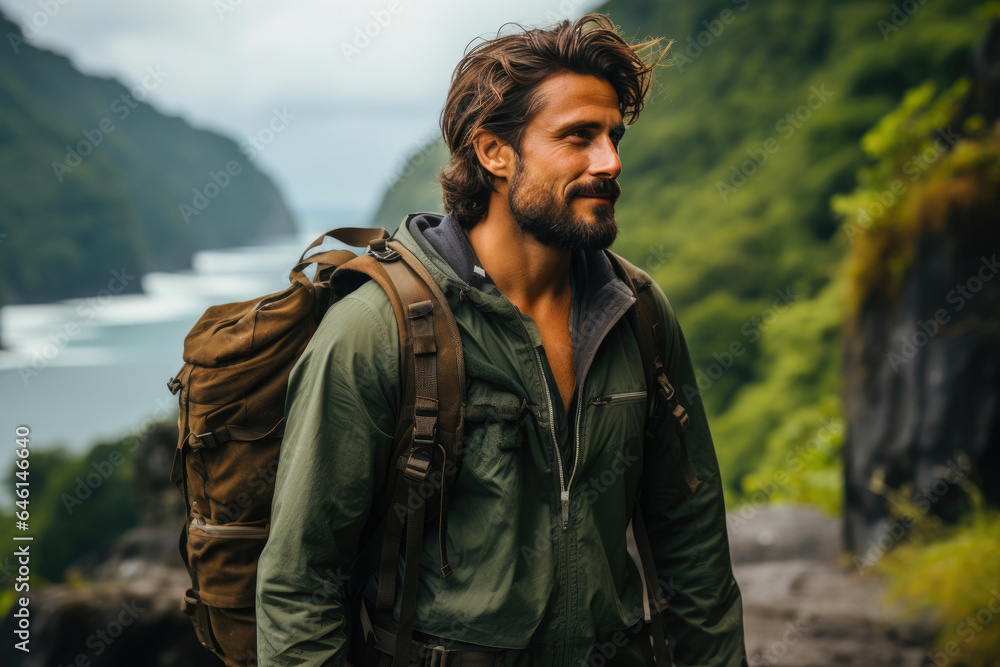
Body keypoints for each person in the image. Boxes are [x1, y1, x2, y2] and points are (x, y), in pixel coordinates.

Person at [256, 13, 747, 666]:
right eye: (579, 137)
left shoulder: (639, 313)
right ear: (494, 152)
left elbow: (695, 551)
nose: (611, 162)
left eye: (613, 136)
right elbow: (300, 582)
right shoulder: (379, 328)